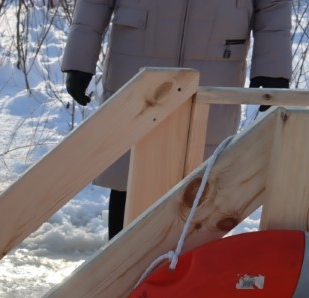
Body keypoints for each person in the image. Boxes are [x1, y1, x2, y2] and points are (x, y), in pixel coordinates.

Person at [61, 0, 293, 239]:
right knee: (130, 174)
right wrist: (80, 59)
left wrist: (272, 67)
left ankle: (190, 263)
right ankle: (121, 260)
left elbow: (273, 4)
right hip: (137, 53)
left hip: (217, 59)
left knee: (202, 183)